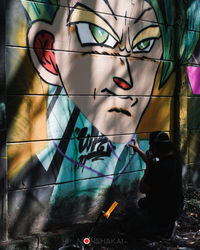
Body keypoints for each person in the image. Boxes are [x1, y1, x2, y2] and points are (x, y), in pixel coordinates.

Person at [127, 131, 184, 238]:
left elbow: (143, 188)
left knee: (131, 227)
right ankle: (167, 223)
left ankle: (163, 227)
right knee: (142, 203)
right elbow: (151, 163)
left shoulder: (159, 168)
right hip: (176, 207)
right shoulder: (176, 160)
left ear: (156, 148)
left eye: (151, 146)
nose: (150, 149)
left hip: (162, 209)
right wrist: (138, 150)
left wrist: (147, 171)